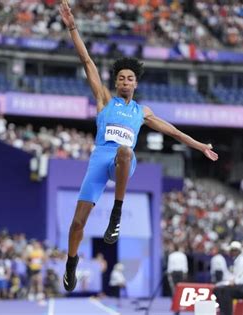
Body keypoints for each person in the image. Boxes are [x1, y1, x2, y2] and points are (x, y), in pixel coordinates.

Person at [59, 0, 218, 292]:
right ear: (116, 82)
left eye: (129, 78)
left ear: (135, 83)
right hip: (100, 158)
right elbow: (87, 62)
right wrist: (72, 27)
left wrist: (199, 146)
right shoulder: (105, 100)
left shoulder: (142, 112)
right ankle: (70, 262)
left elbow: (173, 132)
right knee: (77, 224)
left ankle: (116, 214)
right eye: (120, 78)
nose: (124, 81)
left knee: (126, 151)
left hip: (122, 160)